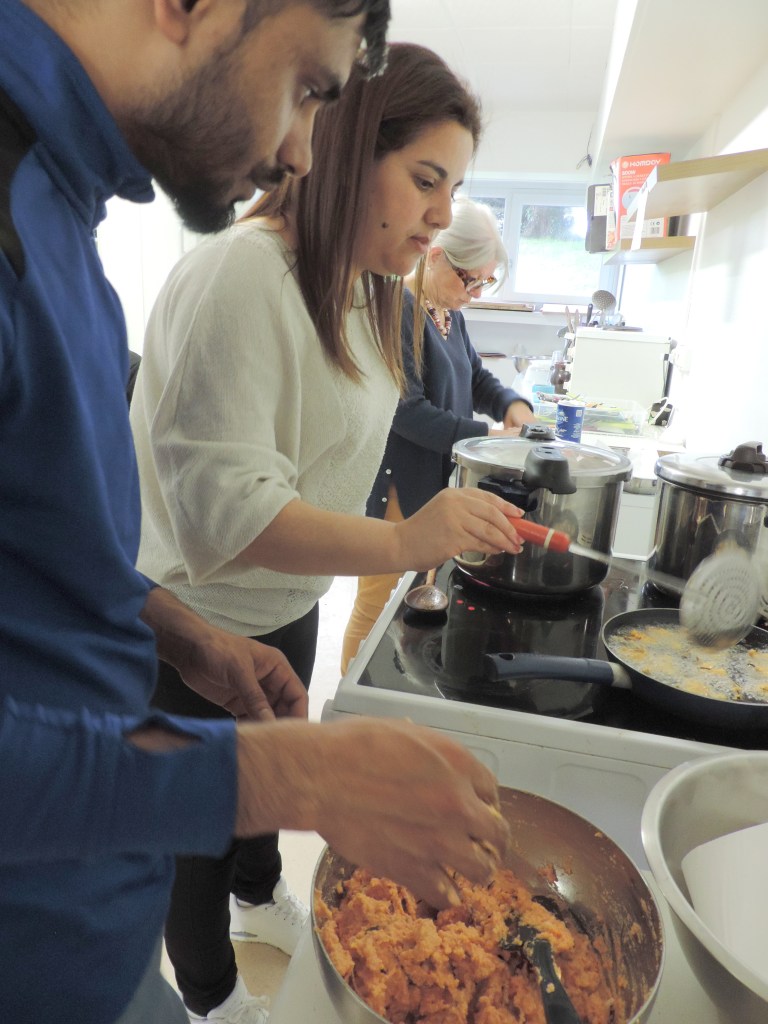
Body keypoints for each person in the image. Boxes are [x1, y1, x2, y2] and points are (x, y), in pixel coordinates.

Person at [0, 3, 513, 1023]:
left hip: (85, 929)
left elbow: (44, 557)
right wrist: (274, 779)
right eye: (308, 89)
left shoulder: (57, 212)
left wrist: (175, 629)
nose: (298, 152)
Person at [130, 41, 528, 1022]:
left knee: (267, 790)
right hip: (195, 613)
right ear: (350, 149)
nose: (441, 214)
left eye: (454, 188)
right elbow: (230, 512)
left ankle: (260, 897)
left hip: (287, 599)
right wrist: (401, 542)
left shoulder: (372, 288)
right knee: (198, 827)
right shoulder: (243, 276)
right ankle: (212, 994)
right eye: (425, 180)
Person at [341, 197, 537, 671]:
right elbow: (407, 412)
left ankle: (396, 681)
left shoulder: (449, 313)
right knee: (377, 600)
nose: (475, 293)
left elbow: (476, 379)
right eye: (469, 280)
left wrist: (511, 405)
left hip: (436, 478)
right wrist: (487, 436)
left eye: (484, 282)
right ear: (434, 256)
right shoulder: (395, 309)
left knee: (417, 596)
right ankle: (351, 694)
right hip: (399, 483)